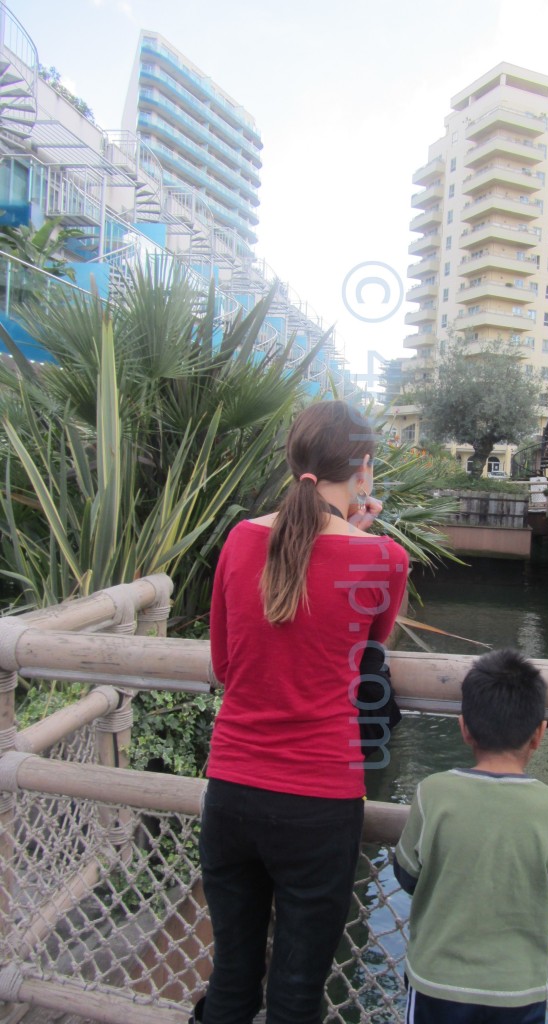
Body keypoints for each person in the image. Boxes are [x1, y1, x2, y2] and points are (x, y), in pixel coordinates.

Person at [196, 400, 409, 1024]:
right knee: (296, 992)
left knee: (232, 979)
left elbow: (227, 664)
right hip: (319, 801)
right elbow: (365, 652)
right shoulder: (383, 560)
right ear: (363, 469)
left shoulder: (239, 541)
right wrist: (361, 535)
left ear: (297, 462)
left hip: (231, 789)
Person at [394, 648, 548, 1024]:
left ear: (464, 727)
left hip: (436, 981)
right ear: (539, 734)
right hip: (518, 988)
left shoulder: (432, 793)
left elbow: (407, 875)